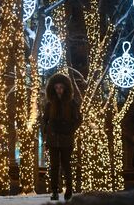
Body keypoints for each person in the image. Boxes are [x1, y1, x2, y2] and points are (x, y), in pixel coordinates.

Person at [43, 73, 82, 202]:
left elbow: (78, 119)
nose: (59, 89)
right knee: (54, 167)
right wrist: (47, 133)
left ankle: (69, 190)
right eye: (56, 87)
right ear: (53, 88)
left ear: (65, 88)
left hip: (66, 140)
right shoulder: (49, 104)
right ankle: (54, 191)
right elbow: (44, 120)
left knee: (66, 166)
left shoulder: (71, 103)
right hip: (53, 140)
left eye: (61, 87)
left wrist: (69, 129)